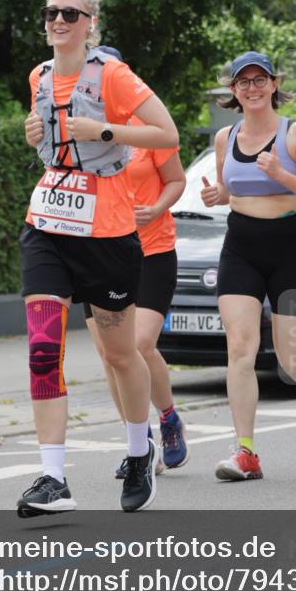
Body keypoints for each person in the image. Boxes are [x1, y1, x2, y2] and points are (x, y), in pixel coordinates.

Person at [16, 0, 178, 516]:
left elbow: (167, 134)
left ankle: (139, 449)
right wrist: (34, 134)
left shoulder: (114, 76)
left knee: (119, 354)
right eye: (51, 13)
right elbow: (48, 142)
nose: (58, 21)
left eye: (70, 14)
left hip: (107, 234)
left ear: (91, 24)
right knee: (43, 350)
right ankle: (53, 477)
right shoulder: (39, 76)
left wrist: (105, 131)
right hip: (47, 225)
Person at [201, 50, 296, 482]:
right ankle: (245, 452)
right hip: (241, 245)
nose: (253, 88)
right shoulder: (225, 138)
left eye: (260, 79)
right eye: (244, 82)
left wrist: (282, 174)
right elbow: (230, 189)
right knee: (240, 348)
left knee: (290, 357)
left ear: (274, 85)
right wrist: (217, 196)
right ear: (233, 90)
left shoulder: (295, 134)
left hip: (294, 246)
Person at [83, 47, 189, 475]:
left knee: (139, 346)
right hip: (98, 252)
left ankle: (168, 417)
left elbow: (177, 180)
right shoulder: (79, 130)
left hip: (152, 250)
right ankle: (139, 442)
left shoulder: (149, 126)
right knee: (111, 356)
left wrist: (157, 207)